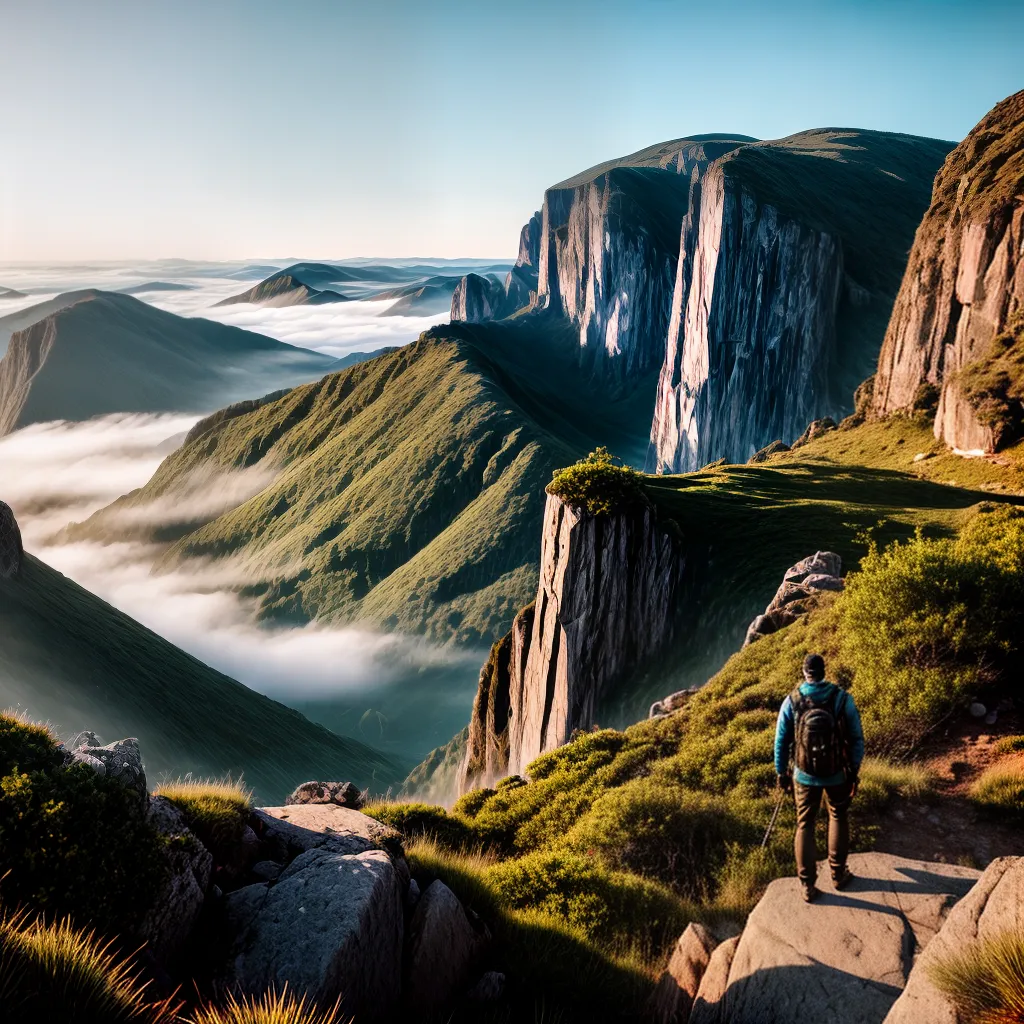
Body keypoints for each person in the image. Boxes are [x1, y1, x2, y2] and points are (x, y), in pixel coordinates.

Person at [774, 652, 865, 902]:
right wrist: (853, 769)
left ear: (805, 673)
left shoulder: (792, 701)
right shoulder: (842, 699)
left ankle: (807, 885)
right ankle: (838, 875)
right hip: (837, 773)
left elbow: (781, 741)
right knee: (838, 815)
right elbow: (857, 738)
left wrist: (781, 772)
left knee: (805, 823)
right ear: (824, 672)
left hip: (804, 774)